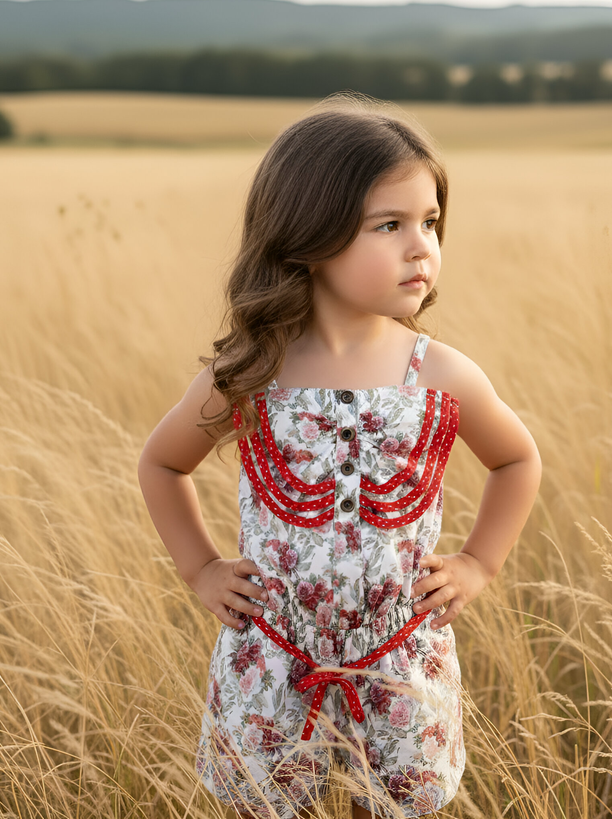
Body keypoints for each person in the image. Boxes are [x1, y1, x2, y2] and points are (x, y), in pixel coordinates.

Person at [138, 96, 542, 819]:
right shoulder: (252, 373)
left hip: (398, 662)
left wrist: (480, 562)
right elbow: (162, 465)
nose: (422, 247)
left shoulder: (441, 374)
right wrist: (201, 568)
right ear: (308, 236)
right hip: (270, 660)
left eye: (431, 223)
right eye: (389, 226)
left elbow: (517, 460)